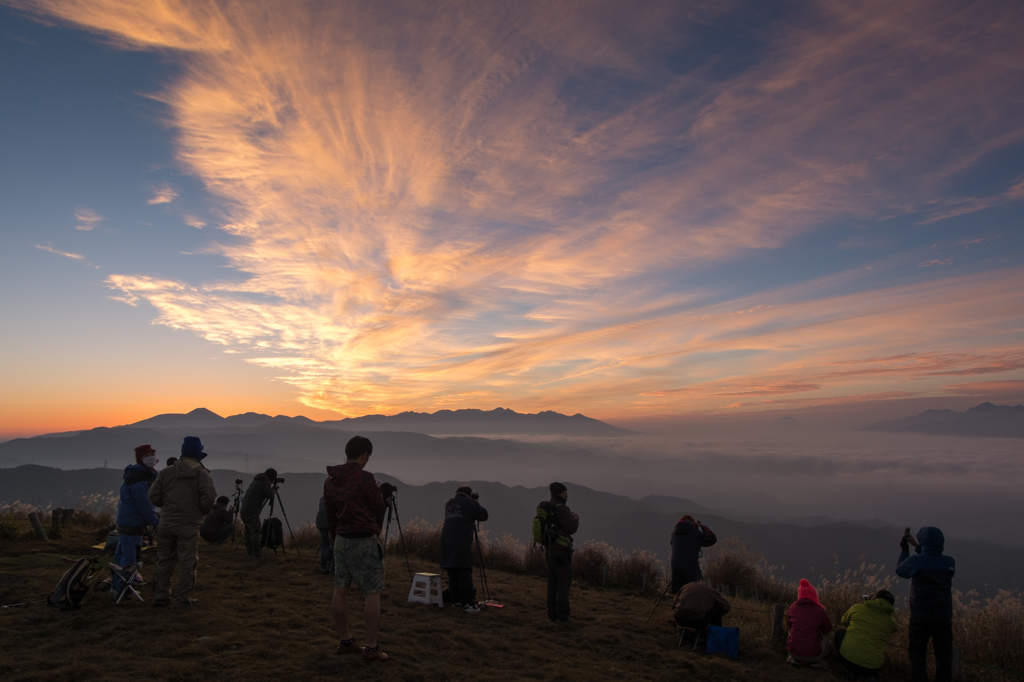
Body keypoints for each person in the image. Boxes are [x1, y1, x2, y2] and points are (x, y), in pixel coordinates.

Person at [324, 436, 389, 662]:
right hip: (363, 539)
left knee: (340, 588)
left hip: (341, 539)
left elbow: (330, 513)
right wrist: (378, 491)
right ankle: (371, 647)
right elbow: (378, 506)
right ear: (364, 455)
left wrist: (336, 536)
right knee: (372, 592)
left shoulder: (330, 480)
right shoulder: (365, 478)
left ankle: (345, 641)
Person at [148, 436, 216, 608]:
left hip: (167, 523)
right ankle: (183, 600)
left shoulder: (167, 472)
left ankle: (161, 596)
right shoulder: (201, 474)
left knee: (164, 560)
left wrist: (167, 506)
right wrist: (200, 511)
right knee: (187, 562)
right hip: (189, 525)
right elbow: (209, 499)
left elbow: (153, 496)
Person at [897, 527, 956, 682]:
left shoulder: (916, 561)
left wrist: (905, 550)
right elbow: (931, 558)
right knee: (944, 656)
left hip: (921, 616)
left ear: (924, 542)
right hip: (944, 618)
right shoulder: (949, 562)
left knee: (917, 652)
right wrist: (917, 547)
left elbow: (901, 570)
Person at [112, 445, 161, 593]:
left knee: (121, 555)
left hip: (126, 521)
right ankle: (123, 588)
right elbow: (143, 503)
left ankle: (116, 585)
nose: (151, 457)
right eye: (147, 455)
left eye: (152, 454)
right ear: (140, 458)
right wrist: (155, 521)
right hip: (132, 523)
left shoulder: (137, 474)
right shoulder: (139, 478)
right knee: (129, 558)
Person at [440, 485, 489, 612]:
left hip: (446, 541)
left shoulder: (449, 503)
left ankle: (456, 601)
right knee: (464, 571)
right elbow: (484, 515)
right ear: (469, 494)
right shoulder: (469, 503)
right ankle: (468, 604)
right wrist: (474, 502)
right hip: (461, 542)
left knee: (453, 572)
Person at [835, 589, 899, 680]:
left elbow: (843, 621)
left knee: (840, 632)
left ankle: (851, 672)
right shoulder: (891, 623)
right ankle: (870, 677)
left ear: (875, 598)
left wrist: (866, 601)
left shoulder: (857, 608)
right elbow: (894, 628)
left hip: (847, 661)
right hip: (872, 668)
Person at [541, 482, 579, 623]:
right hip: (562, 552)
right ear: (559, 493)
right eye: (564, 491)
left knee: (552, 584)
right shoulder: (563, 509)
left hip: (549, 550)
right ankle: (562, 616)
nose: (566, 494)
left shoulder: (547, 507)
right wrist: (575, 520)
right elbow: (570, 529)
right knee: (563, 584)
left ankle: (551, 613)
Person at [786, 579, 833, 669]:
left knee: (791, 629)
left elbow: (788, 623)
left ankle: (792, 658)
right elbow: (828, 629)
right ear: (814, 595)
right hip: (813, 656)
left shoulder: (793, 607)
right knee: (826, 636)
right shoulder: (819, 611)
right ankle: (819, 661)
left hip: (792, 652)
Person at [670, 515, 717, 593]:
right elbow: (712, 539)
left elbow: (672, 544)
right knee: (692, 592)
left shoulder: (674, 534)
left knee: (677, 592)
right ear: (692, 524)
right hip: (691, 569)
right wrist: (702, 526)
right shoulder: (695, 534)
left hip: (675, 569)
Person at [239, 468, 278, 558]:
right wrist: (274, 490)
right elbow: (269, 495)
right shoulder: (265, 482)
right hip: (252, 511)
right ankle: (256, 553)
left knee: (248, 531)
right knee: (255, 531)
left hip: (244, 509)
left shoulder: (256, 480)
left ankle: (249, 551)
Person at [315, 495, 334, 574]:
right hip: (331, 521)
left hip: (321, 522)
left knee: (325, 544)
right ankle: (333, 568)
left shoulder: (323, 498)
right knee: (335, 544)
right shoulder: (337, 497)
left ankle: (324, 567)